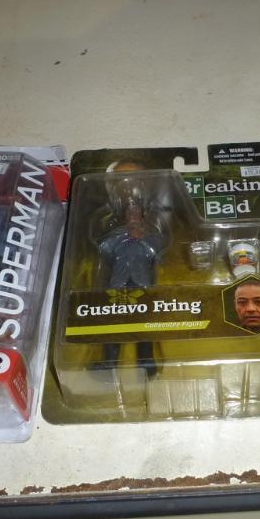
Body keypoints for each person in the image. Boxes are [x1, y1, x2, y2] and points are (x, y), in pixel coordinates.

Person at [95, 160, 164, 375]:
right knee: (113, 322)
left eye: (136, 215)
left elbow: (159, 248)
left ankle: (147, 363)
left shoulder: (151, 232)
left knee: (145, 324)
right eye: (130, 215)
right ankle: (109, 363)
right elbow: (104, 247)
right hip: (118, 281)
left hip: (143, 282)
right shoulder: (116, 233)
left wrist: (142, 238)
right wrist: (125, 236)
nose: (132, 217)